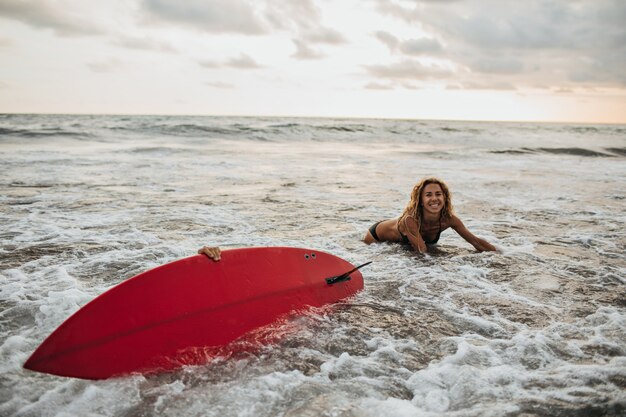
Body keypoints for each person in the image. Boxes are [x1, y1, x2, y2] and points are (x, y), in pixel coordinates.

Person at [364, 177, 497, 253]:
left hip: (401, 236)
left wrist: (501, 255)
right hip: (376, 237)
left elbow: (476, 242)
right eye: (428, 195)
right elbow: (422, 252)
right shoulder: (410, 220)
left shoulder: (449, 219)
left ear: (445, 198)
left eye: (438, 194)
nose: (434, 199)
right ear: (420, 200)